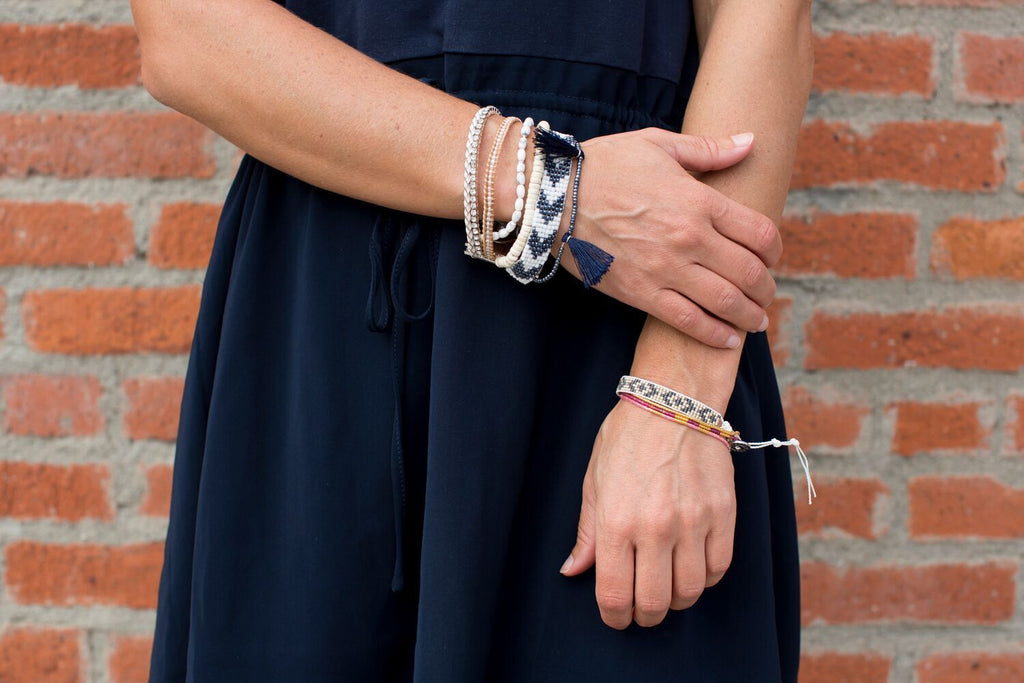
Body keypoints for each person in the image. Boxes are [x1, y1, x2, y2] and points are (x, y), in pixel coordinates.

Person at [130, 0, 813, 680]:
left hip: (635, 310)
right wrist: (552, 188)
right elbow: (185, 30)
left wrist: (678, 394)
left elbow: (762, 15)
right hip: (324, 318)